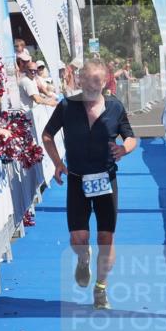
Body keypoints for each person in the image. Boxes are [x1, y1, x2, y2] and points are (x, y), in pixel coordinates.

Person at [42, 59, 137, 310]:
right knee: (79, 237)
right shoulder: (66, 106)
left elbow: (131, 137)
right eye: (88, 79)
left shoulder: (115, 107)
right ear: (80, 80)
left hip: (106, 179)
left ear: (105, 82)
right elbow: (47, 135)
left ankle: (101, 289)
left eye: (98, 80)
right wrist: (57, 163)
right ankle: (83, 259)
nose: (93, 84)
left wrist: (123, 149)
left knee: (106, 237)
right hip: (76, 179)